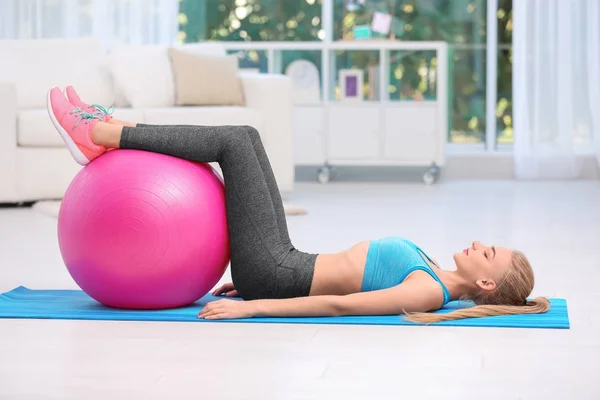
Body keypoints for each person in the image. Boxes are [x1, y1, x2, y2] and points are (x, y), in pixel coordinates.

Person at [46, 86, 551, 323]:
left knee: (235, 145)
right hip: (278, 260)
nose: (481, 243)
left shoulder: (426, 292)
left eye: (489, 253)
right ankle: (105, 131)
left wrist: (256, 305)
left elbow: (339, 305)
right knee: (246, 135)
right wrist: (251, 281)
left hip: (275, 271)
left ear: (485, 282)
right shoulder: (434, 273)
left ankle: (100, 132)